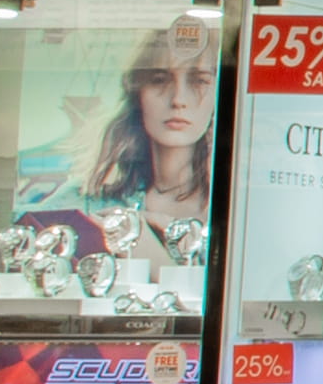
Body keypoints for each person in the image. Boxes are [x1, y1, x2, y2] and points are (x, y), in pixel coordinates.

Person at [80, 16, 222, 232]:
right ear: (138, 93)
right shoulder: (91, 199)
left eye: (199, 81)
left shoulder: (234, 204)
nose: (178, 100)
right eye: (159, 80)